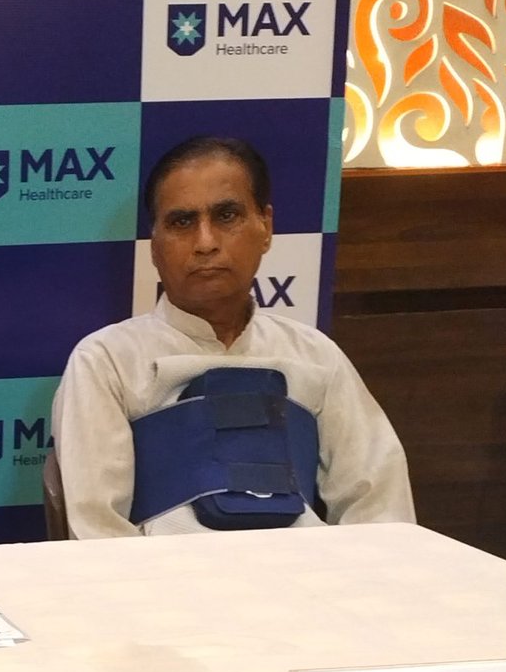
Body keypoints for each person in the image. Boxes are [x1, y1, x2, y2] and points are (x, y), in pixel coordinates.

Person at [52, 135, 414, 539]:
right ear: (154, 247)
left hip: (305, 574)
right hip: (167, 576)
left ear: (266, 227)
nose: (205, 243)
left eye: (226, 216)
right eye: (182, 222)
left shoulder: (316, 357)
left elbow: (381, 513)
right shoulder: (107, 362)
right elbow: (99, 534)